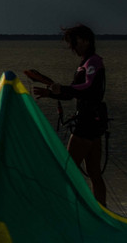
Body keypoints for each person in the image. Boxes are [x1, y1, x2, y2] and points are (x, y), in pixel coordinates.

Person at [25, 24, 108, 206]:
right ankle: (102, 212)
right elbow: (74, 93)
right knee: (94, 173)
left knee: (67, 170)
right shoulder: (86, 63)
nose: (73, 48)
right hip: (94, 123)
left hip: (86, 124)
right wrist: (51, 93)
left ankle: (70, 210)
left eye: (75, 43)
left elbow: (89, 88)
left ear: (85, 40)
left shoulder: (93, 62)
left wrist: (63, 88)